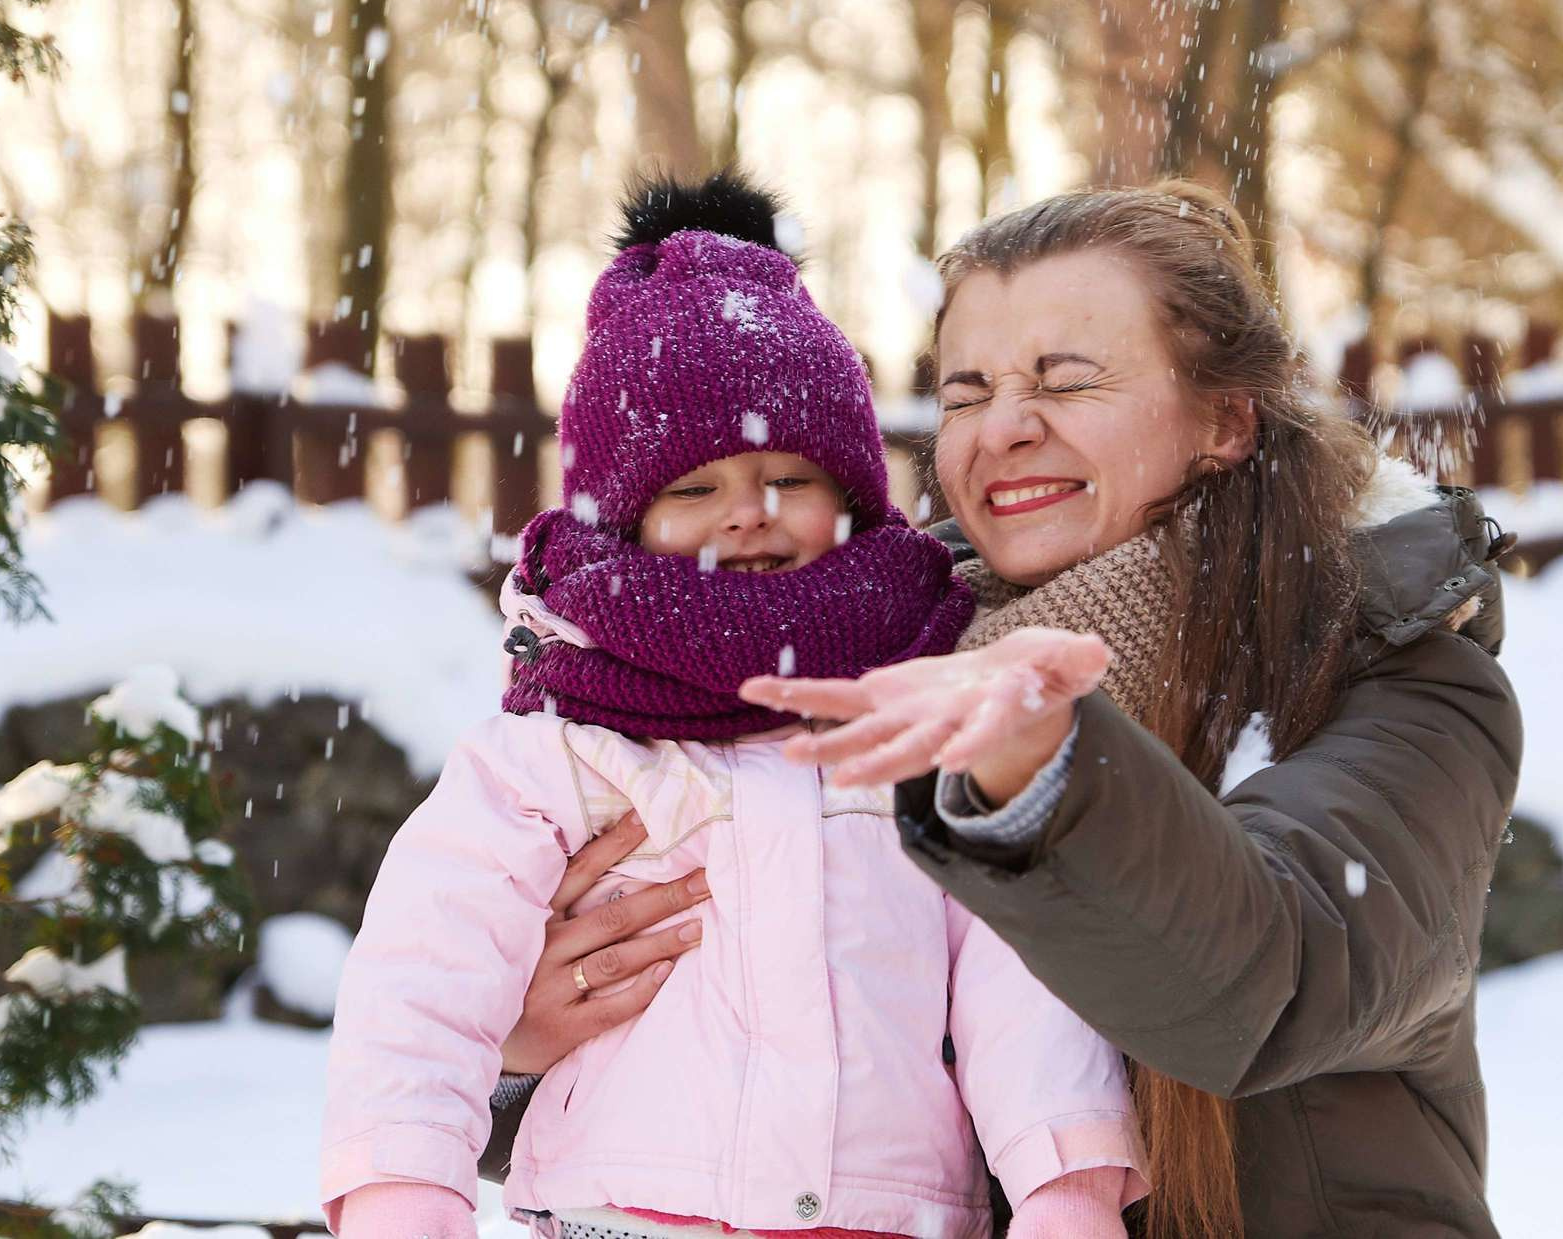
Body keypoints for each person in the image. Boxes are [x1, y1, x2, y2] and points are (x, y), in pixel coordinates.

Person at [491, 182, 1522, 1238]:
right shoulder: (882, 661)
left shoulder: (1398, 684)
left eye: (1063, 384)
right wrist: (512, 1043)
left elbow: (1265, 990)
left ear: (1222, 417)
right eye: (964, 392)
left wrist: (1045, 767)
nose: (1003, 430)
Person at [319, 173, 1149, 1239]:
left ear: (851, 493)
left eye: (787, 478)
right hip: (621, 1214)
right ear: (625, 518)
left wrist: (1060, 1186)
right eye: (694, 489)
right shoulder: (560, 745)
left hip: (887, 1213)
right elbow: (423, 980)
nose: (748, 516)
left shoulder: (913, 710)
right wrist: (401, 1192)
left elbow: (1016, 970)